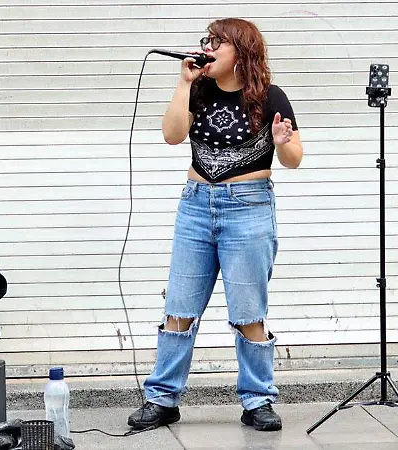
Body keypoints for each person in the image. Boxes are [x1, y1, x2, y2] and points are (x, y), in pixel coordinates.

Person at [127, 18, 303, 432]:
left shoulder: (270, 96)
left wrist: (282, 144)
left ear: (241, 52)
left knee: (248, 311)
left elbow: (295, 157)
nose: (207, 48)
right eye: (206, 41)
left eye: (217, 42)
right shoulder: (199, 90)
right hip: (196, 204)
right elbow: (172, 136)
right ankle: (162, 399)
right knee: (179, 306)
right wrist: (183, 82)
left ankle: (257, 400)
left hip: (249, 206)